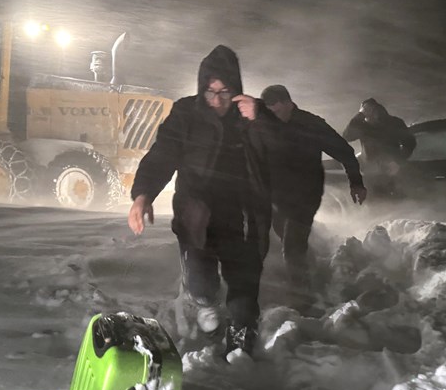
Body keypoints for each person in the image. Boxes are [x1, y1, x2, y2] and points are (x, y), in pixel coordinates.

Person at [128, 46, 273, 358]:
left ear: (237, 89)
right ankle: (205, 302)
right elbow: (163, 154)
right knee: (201, 285)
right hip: (197, 217)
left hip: (242, 216)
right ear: (201, 89)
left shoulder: (253, 116)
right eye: (210, 92)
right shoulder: (186, 114)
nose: (218, 100)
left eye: (225, 91)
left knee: (244, 285)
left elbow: (282, 153)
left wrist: (259, 121)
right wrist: (143, 195)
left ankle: (241, 346)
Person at [260, 85, 366, 297]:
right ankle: (314, 269)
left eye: (276, 111)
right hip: (276, 196)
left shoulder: (311, 125)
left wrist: (356, 182)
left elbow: (345, 151)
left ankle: (303, 297)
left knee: (292, 245)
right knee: (285, 237)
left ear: (288, 103)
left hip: (305, 194)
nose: (272, 116)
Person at [342, 97, 415, 196]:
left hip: (391, 170)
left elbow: (410, 142)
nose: (367, 116)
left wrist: (397, 162)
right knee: (373, 201)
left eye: (369, 112)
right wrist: (359, 115)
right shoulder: (364, 126)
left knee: (394, 199)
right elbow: (347, 136)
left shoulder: (394, 123)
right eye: (365, 113)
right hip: (371, 171)